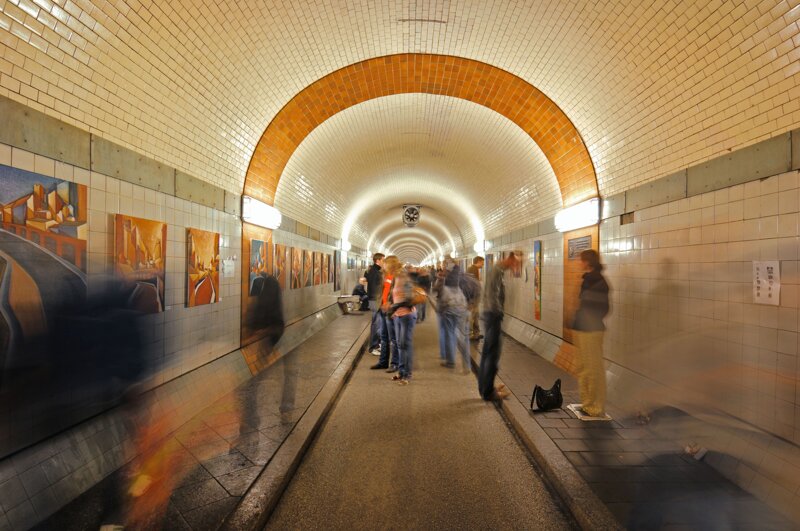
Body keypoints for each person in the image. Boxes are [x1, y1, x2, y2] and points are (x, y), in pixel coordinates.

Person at [478, 251, 521, 401]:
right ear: (509, 259)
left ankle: (484, 388)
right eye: (516, 263)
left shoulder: (497, 270)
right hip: (493, 315)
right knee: (493, 354)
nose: (516, 266)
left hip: (489, 314)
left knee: (487, 352)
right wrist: (499, 312)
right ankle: (488, 392)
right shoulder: (496, 271)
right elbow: (492, 294)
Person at [572, 249, 610, 418]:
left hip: (591, 329)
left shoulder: (597, 281)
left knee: (593, 368)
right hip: (583, 328)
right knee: (583, 367)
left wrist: (588, 319)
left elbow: (603, 308)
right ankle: (587, 403)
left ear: (587, 262)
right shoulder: (588, 279)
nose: (578, 263)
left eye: (580, 260)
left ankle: (596, 406)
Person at [434, 259, 467, 369]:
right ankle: (467, 363)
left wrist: (439, 278)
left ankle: (450, 360)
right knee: (462, 335)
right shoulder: (462, 276)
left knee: (448, 333)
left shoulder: (444, 278)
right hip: (461, 308)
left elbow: (436, 290)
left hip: (447, 308)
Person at [388, 268, 417, 384]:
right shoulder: (395, 279)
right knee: (400, 345)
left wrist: (393, 307)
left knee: (406, 345)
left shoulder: (405, 278)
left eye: (386, 265)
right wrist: (393, 310)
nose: (385, 268)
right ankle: (401, 372)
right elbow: (394, 297)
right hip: (398, 315)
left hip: (407, 315)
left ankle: (407, 374)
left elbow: (410, 301)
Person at [371, 255, 400, 371]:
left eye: (386, 263)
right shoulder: (384, 275)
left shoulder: (398, 276)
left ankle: (395, 363)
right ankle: (383, 362)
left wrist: (392, 306)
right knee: (383, 337)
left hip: (391, 311)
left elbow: (399, 294)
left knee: (393, 339)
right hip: (382, 309)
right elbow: (383, 291)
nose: (384, 264)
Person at [365, 253, 385, 355]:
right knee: (376, 324)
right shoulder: (375, 272)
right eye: (383, 260)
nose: (384, 262)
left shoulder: (373, 270)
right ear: (378, 260)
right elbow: (375, 288)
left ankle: (377, 344)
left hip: (374, 300)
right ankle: (373, 347)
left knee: (378, 323)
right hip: (375, 301)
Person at [466, 256, 484, 339]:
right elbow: (470, 285)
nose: (483, 264)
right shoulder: (472, 269)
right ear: (478, 261)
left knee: (475, 315)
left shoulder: (473, 269)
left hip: (474, 297)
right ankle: (469, 334)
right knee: (471, 316)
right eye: (482, 262)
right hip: (472, 298)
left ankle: (476, 334)